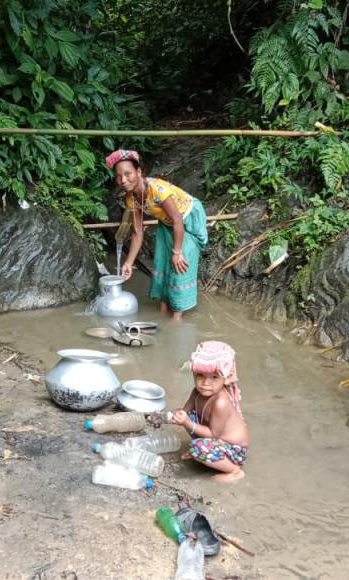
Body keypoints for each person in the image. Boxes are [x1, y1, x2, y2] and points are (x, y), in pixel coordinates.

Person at [106, 149, 208, 321]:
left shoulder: (158, 190)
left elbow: (178, 220)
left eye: (128, 174)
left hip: (186, 219)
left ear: (139, 172)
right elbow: (138, 233)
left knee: (179, 265)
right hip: (167, 223)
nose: (123, 180)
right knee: (161, 263)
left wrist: (177, 252)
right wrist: (129, 263)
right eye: (118, 176)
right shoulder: (131, 199)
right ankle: (162, 312)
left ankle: (176, 319)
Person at [169, 341, 249, 482]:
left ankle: (234, 471)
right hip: (215, 439)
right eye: (200, 375)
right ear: (193, 374)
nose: (205, 383)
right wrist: (175, 415)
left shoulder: (221, 403)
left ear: (225, 378)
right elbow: (185, 411)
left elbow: (214, 435)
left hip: (234, 449)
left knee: (196, 447)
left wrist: (187, 423)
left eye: (214, 377)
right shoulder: (197, 391)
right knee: (189, 416)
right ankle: (208, 454)